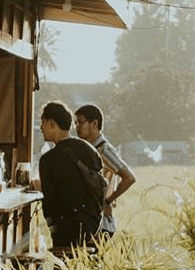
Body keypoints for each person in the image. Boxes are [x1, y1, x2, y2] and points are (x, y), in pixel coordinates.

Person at [37, 101, 104, 254]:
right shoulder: (90, 149)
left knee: (61, 269)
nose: (41, 128)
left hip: (66, 230)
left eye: (43, 123)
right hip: (92, 225)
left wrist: (53, 229)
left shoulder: (48, 160)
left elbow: (49, 201)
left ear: (52, 123)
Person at [74, 103, 136, 238]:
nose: (77, 127)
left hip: (101, 224)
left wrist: (107, 201)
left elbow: (129, 178)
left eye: (80, 122)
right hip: (89, 220)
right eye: (75, 123)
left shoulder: (104, 150)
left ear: (94, 124)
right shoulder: (89, 149)